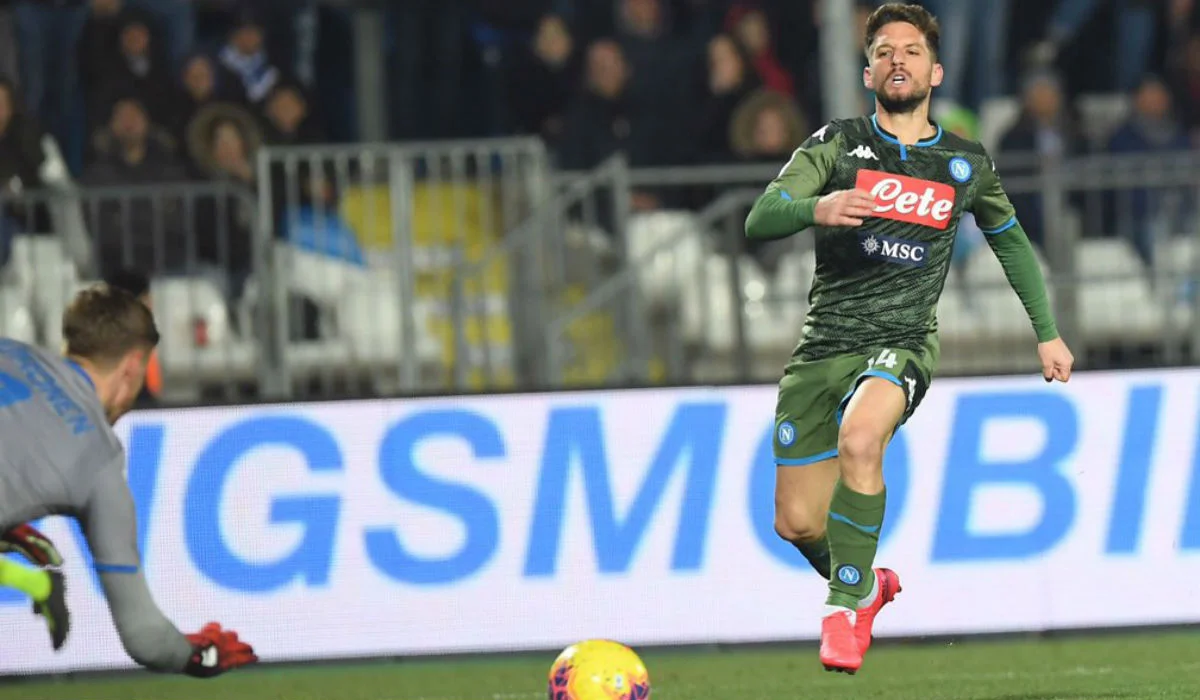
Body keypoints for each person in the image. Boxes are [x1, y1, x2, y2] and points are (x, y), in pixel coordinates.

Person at [743, 2, 1074, 675]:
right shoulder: (836, 145)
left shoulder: (963, 163)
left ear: (936, 72)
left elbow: (1011, 242)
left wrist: (1047, 332)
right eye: (885, 51)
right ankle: (866, 587)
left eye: (912, 51)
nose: (898, 60)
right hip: (823, 346)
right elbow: (761, 218)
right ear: (868, 73)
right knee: (797, 523)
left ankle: (842, 610)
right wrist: (816, 206)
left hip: (903, 340)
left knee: (861, 439)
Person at [0, 283, 256, 676]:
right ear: (133, 366)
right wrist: (198, 655)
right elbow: (145, 638)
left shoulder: (9, 350)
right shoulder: (99, 462)